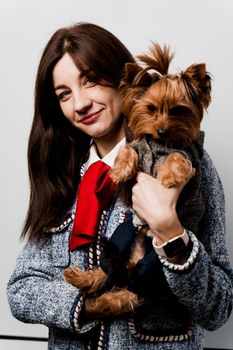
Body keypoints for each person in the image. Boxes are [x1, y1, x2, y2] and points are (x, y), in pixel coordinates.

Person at [7, 22, 233, 350]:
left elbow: (219, 307)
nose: (80, 103)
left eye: (90, 80)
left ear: (121, 82)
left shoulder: (189, 166)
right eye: (64, 94)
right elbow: (21, 290)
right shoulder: (62, 175)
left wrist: (171, 233)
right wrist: (86, 304)